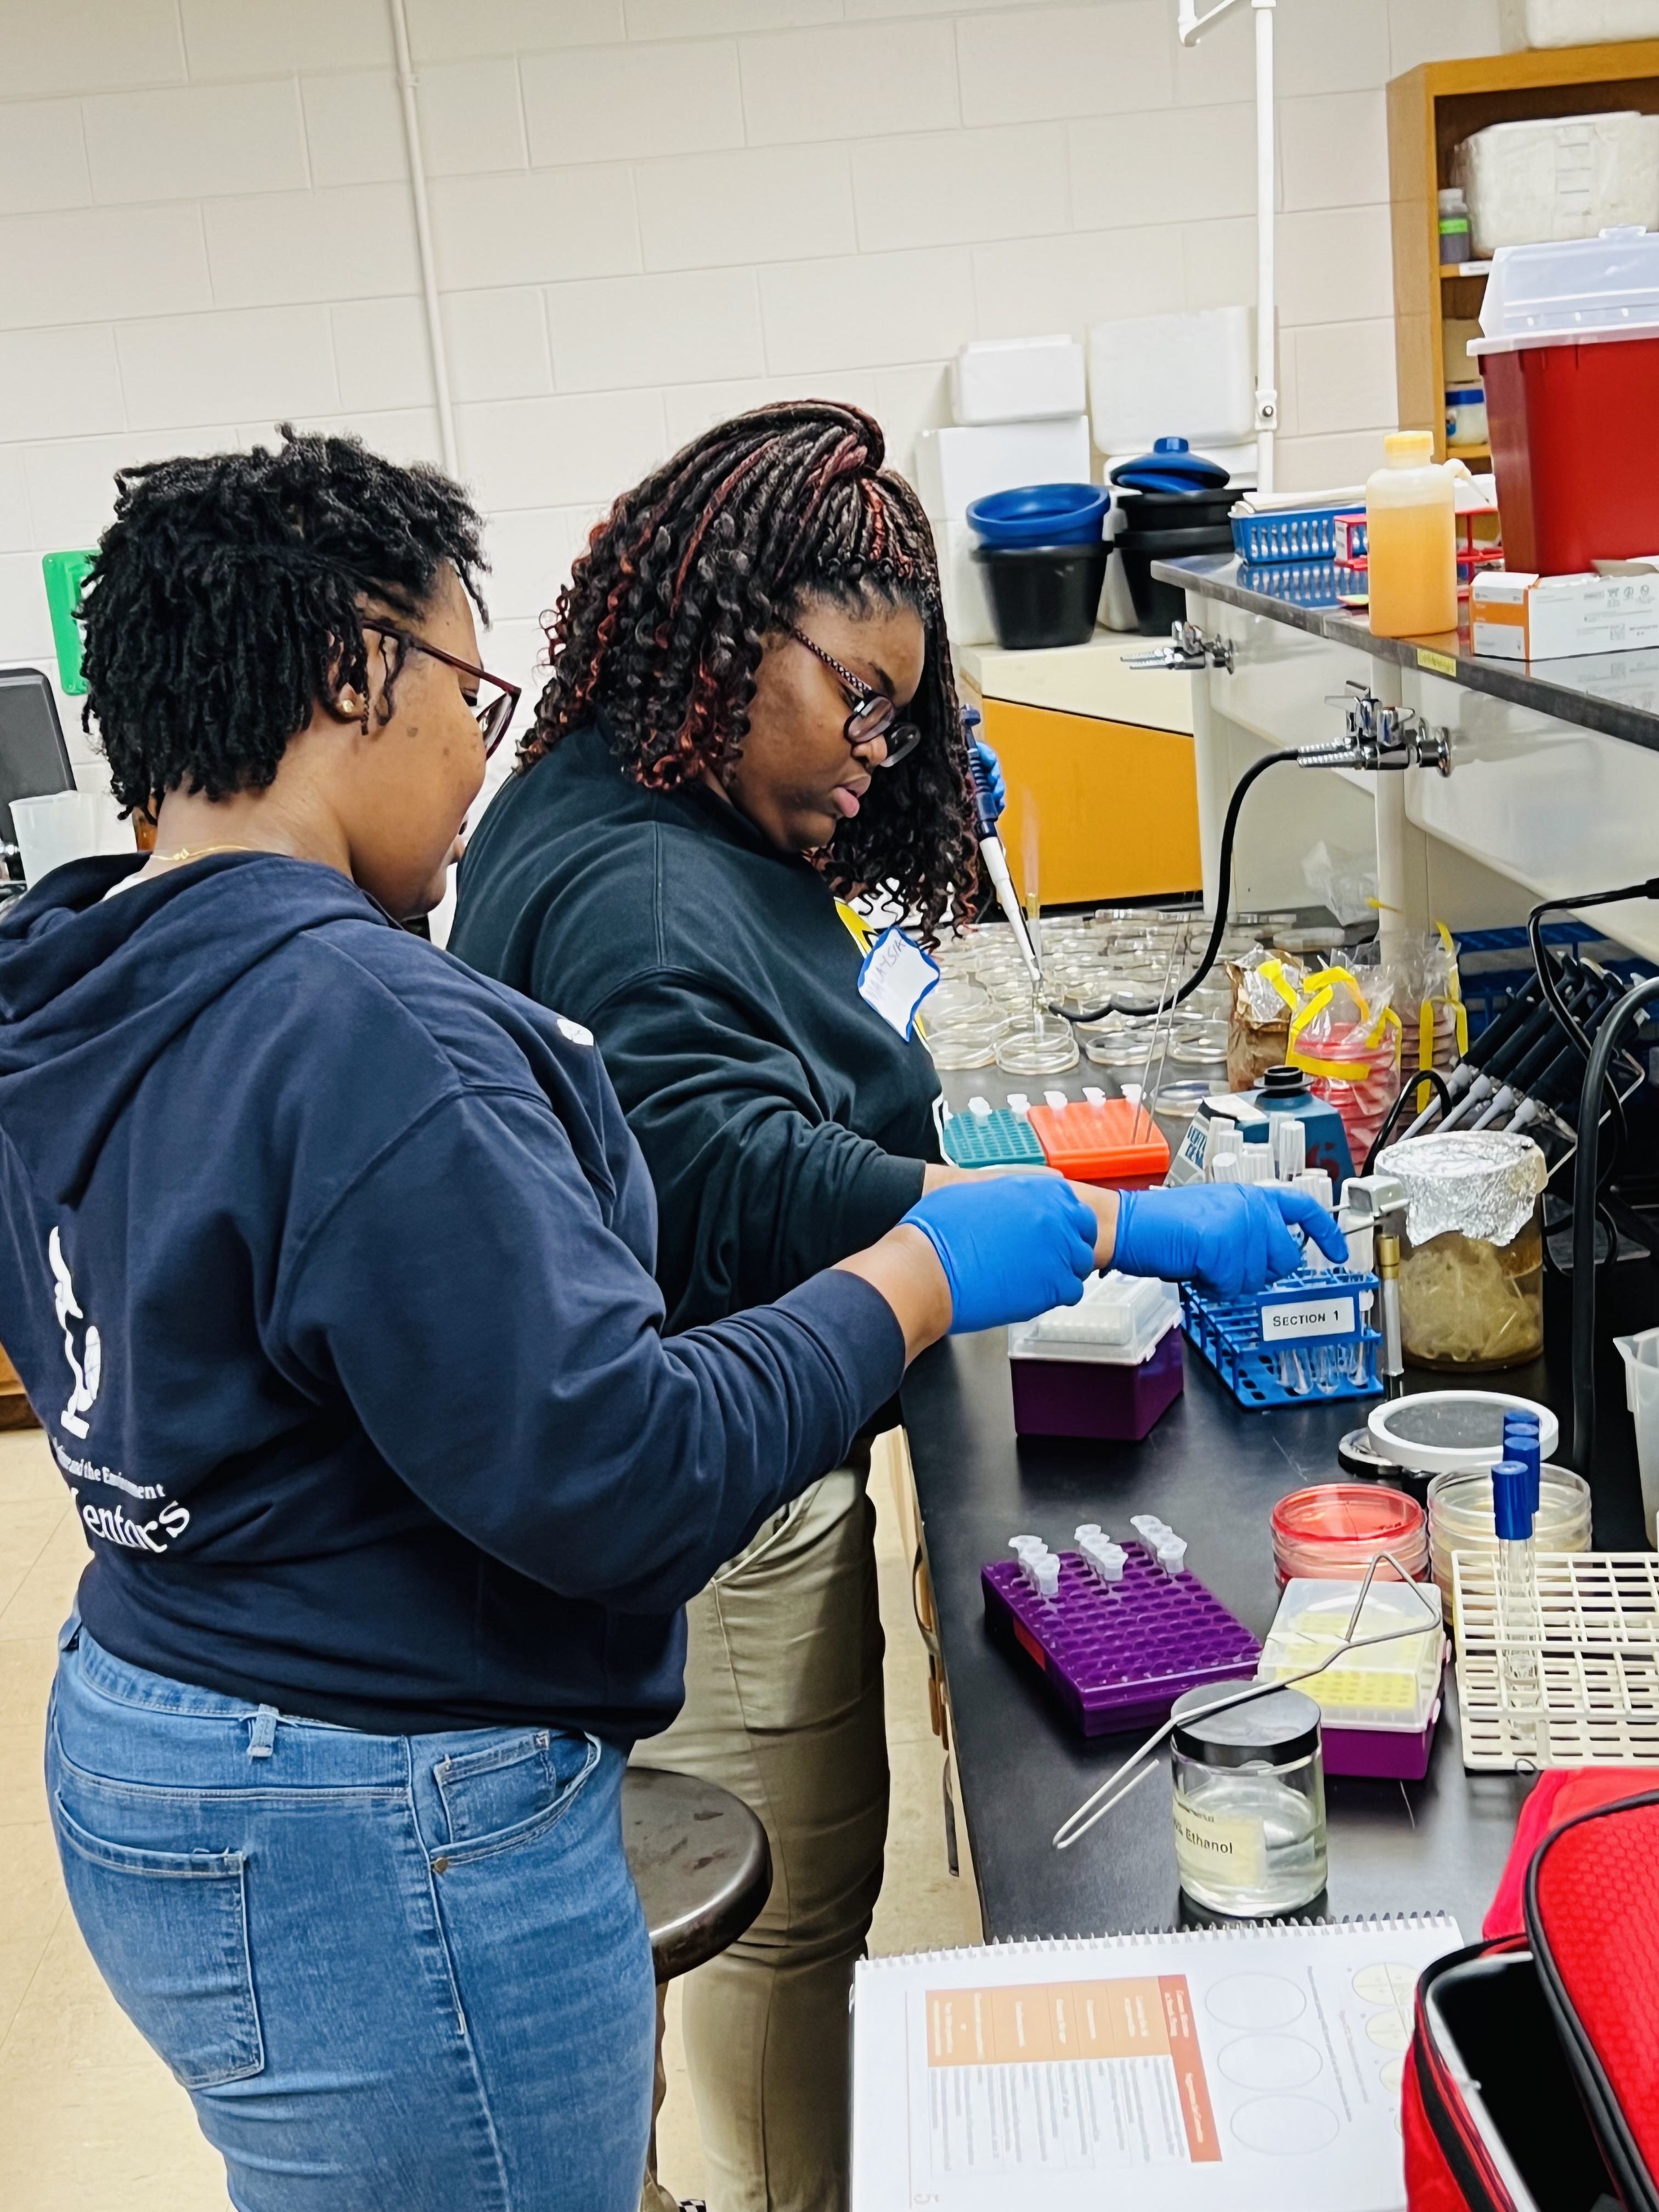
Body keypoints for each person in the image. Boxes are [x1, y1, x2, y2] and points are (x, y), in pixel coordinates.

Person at [0, 428, 1133, 2212]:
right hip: (374, 1808)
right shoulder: (368, 1029)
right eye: (467, 681)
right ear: (361, 668)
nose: (480, 748)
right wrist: (909, 1277)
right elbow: (626, 1473)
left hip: (149, 1723)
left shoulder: (68, 963)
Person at [449, 402, 1345, 2212]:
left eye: (902, 715)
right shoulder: (637, 879)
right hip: (723, 1506)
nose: (877, 748)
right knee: (787, 1934)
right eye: (856, 699)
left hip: (671, 1472)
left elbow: (736, 998)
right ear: (725, 636)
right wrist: (1111, 1230)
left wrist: (864, 837)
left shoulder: (625, 787)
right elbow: (732, 1181)